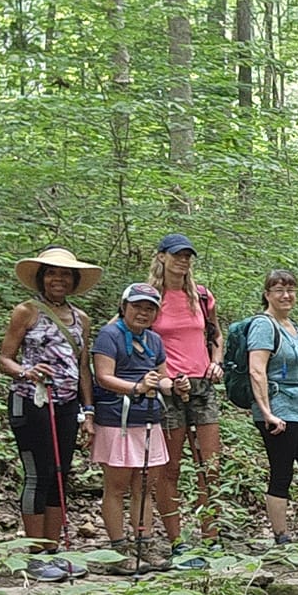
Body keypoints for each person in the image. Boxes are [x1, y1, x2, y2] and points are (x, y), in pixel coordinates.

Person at [0, 247, 101, 583]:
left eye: (65, 275)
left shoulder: (81, 319)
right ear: (42, 278)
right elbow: (5, 359)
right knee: (37, 473)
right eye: (52, 273)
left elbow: (83, 367)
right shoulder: (26, 312)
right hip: (31, 401)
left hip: (68, 404)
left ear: (73, 281)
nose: (59, 279)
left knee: (60, 473)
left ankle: (53, 549)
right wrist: (26, 372)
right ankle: (35, 553)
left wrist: (88, 410)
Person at [147, 234, 223, 568]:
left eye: (188, 256)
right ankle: (177, 541)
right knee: (170, 467)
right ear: (162, 257)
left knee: (210, 465)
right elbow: (133, 334)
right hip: (168, 388)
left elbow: (216, 335)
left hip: (202, 385)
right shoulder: (149, 297)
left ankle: (212, 537)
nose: (183, 261)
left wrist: (216, 360)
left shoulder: (202, 296)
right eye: (177, 255)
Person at [92, 283, 173, 574]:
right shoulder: (109, 335)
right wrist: (136, 387)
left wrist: (174, 384)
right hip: (117, 420)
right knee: (116, 486)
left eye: (150, 308)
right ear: (124, 307)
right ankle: (117, 549)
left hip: (148, 418)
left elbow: (163, 377)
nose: (143, 312)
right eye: (137, 306)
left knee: (145, 486)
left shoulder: (154, 340)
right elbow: (103, 377)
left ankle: (144, 543)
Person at [246, 269, 298, 547]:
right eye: (278, 290)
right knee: (282, 471)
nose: (286, 295)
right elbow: (257, 370)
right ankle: (281, 536)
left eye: (291, 289)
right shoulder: (263, 325)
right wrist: (267, 412)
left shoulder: (294, 327)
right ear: (267, 294)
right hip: (278, 409)